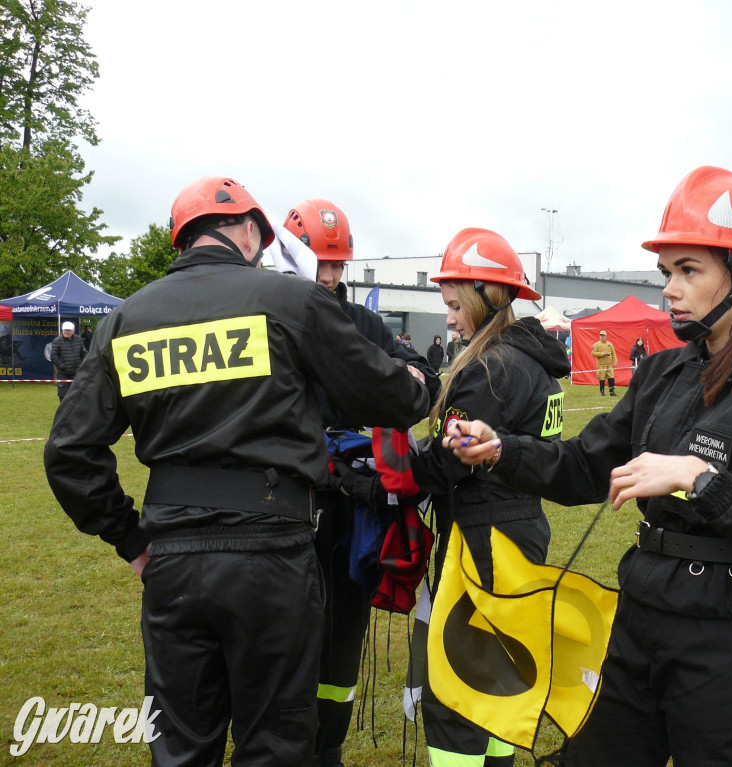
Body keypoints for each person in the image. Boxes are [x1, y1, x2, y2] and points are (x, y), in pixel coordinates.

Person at [445, 166, 732, 766]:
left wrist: (701, 481)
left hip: (731, 642)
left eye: (689, 271)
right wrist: (502, 448)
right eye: (668, 273)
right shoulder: (665, 373)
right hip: (640, 622)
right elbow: (585, 466)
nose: (670, 289)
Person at [43, 176, 431, 767]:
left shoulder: (128, 319)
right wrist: (417, 381)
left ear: (182, 241)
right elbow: (390, 398)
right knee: (275, 744)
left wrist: (130, 538)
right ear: (250, 232)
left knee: (180, 746)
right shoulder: (288, 301)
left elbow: (69, 452)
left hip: (172, 559)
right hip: (271, 555)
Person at [282, 197, 440, 767]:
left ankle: (329, 748)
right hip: (286, 506)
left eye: (337, 267)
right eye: (320, 266)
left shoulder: (363, 323)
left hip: (352, 513)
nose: (329, 278)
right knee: (286, 637)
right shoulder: (274, 314)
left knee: (343, 634)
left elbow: (423, 372)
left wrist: (406, 377)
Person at [413, 227, 569, 767]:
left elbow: (444, 464)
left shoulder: (490, 370)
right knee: (504, 673)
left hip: (481, 539)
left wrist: (378, 471)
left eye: (455, 305)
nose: (450, 318)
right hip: (521, 532)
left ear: (484, 297)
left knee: (456, 687)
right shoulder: (534, 365)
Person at [50, 320, 87, 400]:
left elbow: (84, 353)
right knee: (63, 396)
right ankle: (63, 413)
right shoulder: (57, 341)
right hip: (63, 374)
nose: (67, 332)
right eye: (65, 330)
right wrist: (62, 366)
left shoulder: (79, 340)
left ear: (73, 330)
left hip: (77, 373)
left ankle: (77, 412)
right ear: (62, 330)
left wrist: (82, 365)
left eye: (69, 330)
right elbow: (53, 356)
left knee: (78, 396)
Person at [592, 329, 618, 396]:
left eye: (603, 336)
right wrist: (601, 354)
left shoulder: (609, 344)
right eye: (601, 336)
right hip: (601, 365)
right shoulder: (596, 345)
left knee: (611, 378)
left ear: (606, 336)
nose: (602, 337)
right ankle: (602, 391)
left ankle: (612, 391)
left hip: (609, 364)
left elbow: (613, 353)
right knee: (602, 378)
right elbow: (593, 353)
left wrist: (615, 361)